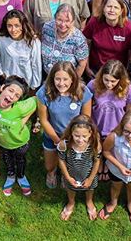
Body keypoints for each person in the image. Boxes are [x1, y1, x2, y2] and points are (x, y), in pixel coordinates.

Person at [0, 76, 37, 196]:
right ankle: (11, 175)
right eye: (10, 90)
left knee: (20, 160)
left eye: (17, 96)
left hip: (20, 142)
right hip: (1, 143)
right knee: (7, 159)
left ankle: (20, 176)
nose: (12, 96)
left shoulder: (21, 107)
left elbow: (35, 100)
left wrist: (25, 119)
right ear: (2, 88)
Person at [37, 61, 93, 189]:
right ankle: (52, 173)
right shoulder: (44, 92)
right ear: (52, 78)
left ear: (72, 78)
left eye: (65, 79)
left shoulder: (83, 92)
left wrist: (74, 139)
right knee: (49, 166)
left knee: (70, 161)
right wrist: (57, 141)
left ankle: (64, 174)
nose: (61, 83)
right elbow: (44, 120)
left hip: (75, 136)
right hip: (53, 134)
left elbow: (85, 119)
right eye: (57, 79)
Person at [57, 115, 102, 221]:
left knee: (90, 188)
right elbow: (61, 160)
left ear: (90, 133)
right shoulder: (64, 144)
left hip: (89, 174)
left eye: (84, 136)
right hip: (71, 174)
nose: (80, 140)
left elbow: (97, 162)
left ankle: (89, 201)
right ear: (71, 132)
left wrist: (90, 179)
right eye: (76, 135)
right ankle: (71, 202)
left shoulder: (95, 144)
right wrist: (67, 177)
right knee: (70, 188)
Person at [83, 0, 131, 76]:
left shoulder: (130, 29)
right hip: (95, 70)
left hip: (117, 72)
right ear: (103, 8)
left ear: (121, 11)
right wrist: (87, 68)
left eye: (116, 7)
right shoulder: (94, 22)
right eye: (109, 6)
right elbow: (85, 45)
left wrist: (125, 74)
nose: (112, 10)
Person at [87, 60, 131, 139]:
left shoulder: (129, 89)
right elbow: (86, 110)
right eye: (106, 80)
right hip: (96, 131)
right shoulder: (93, 85)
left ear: (120, 79)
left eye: (113, 81)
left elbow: (129, 115)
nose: (109, 84)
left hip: (117, 133)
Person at [0, 10, 42, 90]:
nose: (13, 30)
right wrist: (1, 71)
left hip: (27, 85)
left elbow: (36, 65)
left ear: (23, 25)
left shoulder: (33, 42)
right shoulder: (1, 39)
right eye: (9, 26)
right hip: (8, 83)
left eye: (17, 25)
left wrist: (35, 86)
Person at [39, 4, 89, 77]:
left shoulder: (78, 38)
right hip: (46, 76)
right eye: (59, 20)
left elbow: (82, 63)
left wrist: (73, 82)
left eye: (67, 21)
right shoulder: (47, 28)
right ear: (55, 18)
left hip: (66, 81)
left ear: (73, 22)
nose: (63, 24)